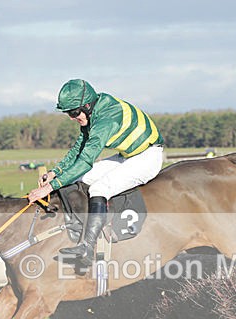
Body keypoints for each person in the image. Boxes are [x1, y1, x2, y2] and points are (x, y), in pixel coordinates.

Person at [26, 79, 164, 264]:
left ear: (87, 105)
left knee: (99, 189)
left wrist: (49, 187)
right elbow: (79, 149)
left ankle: (87, 248)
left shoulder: (105, 120)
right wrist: (55, 172)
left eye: (74, 112)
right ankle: (80, 224)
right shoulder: (94, 111)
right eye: (68, 113)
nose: (72, 117)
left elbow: (85, 160)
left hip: (147, 158)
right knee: (82, 178)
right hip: (129, 155)